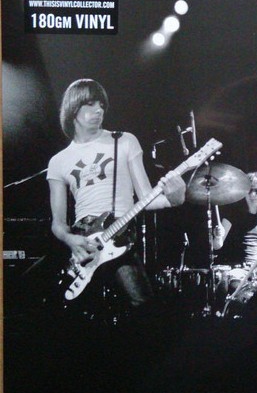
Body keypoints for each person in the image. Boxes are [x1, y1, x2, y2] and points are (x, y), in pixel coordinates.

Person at [47, 79, 186, 311]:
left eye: (101, 105)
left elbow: (145, 198)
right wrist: (70, 240)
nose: (98, 110)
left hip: (119, 237)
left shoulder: (124, 141)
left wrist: (175, 199)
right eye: (90, 104)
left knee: (144, 306)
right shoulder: (58, 161)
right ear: (73, 108)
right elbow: (58, 223)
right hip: (83, 244)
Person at [212, 171, 257, 267]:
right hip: (231, 267)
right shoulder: (232, 213)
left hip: (252, 270)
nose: (252, 195)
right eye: (249, 190)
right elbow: (216, 246)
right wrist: (218, 237)